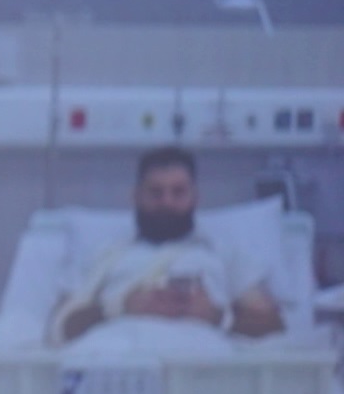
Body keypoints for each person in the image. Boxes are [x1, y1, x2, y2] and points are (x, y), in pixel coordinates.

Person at [51, 146, 284, 344]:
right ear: (136, 197)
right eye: (155, 192)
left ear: (195, 197)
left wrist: (217, 316)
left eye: (178, 192)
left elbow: (274, 326)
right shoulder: (103, 256)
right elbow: (62, 330)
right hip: (119, 369)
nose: (167, 202)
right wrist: (118, 309)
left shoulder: (224, 254)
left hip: (205, 373)